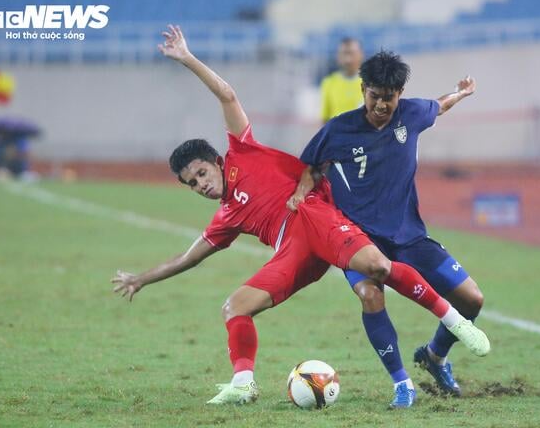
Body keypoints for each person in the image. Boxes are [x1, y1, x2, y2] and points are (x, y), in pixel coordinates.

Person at [111, 26, 489, 407]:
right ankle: (245, 382)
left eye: (202, 174)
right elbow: (188, 257)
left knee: (416, 280)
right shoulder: (227, 215)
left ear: (215, 161)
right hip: (303, 246)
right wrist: (142, 279)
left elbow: (227, 94)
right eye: (192, 184)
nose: (201, 185)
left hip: (328, 221)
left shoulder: (243, 151)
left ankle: (447, 334)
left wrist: (187, 58)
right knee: (236, 307)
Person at [289, 50, 483, 403]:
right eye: (374, 95)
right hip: (358, 240)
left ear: (400, 93)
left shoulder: (412, 113)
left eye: (389, 97)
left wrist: (460, 92)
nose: (381, 104)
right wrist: (303, 191)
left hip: (409, 236)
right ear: (363, 90)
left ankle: (435, 357)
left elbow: (439, 106)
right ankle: (402, 384)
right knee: (370, 294)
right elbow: (312, 166)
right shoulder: (339, 128)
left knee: (472, 299)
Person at [320, 38, 364, 123]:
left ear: (361, 55)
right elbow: (324, 119)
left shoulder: (371, 83)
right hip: (336, 135)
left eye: (351, 54)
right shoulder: (328, 82)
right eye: (344, 54)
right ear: (338, 56)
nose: (348, 59)